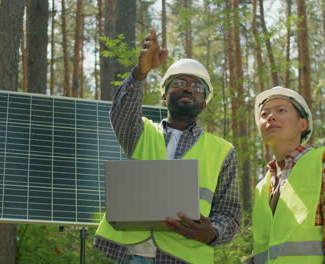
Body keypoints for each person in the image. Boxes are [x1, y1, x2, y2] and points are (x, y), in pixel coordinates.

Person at [94, 29, 241, 264]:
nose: (188, 88)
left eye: (197, 87)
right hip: (133, 256)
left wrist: (212, 232)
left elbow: (229, 213)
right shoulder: (141, 132)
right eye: (179, 83)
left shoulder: (222, 151)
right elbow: (120, 113)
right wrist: (140, 72)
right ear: (164, 95)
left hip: (185, 258)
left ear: (204, 103)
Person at [251, 87, 325, 263]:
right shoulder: (262, 186)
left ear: (303, 124)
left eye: (281, 110)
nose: (270, 117)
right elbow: (264, 251)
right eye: (264, 114)